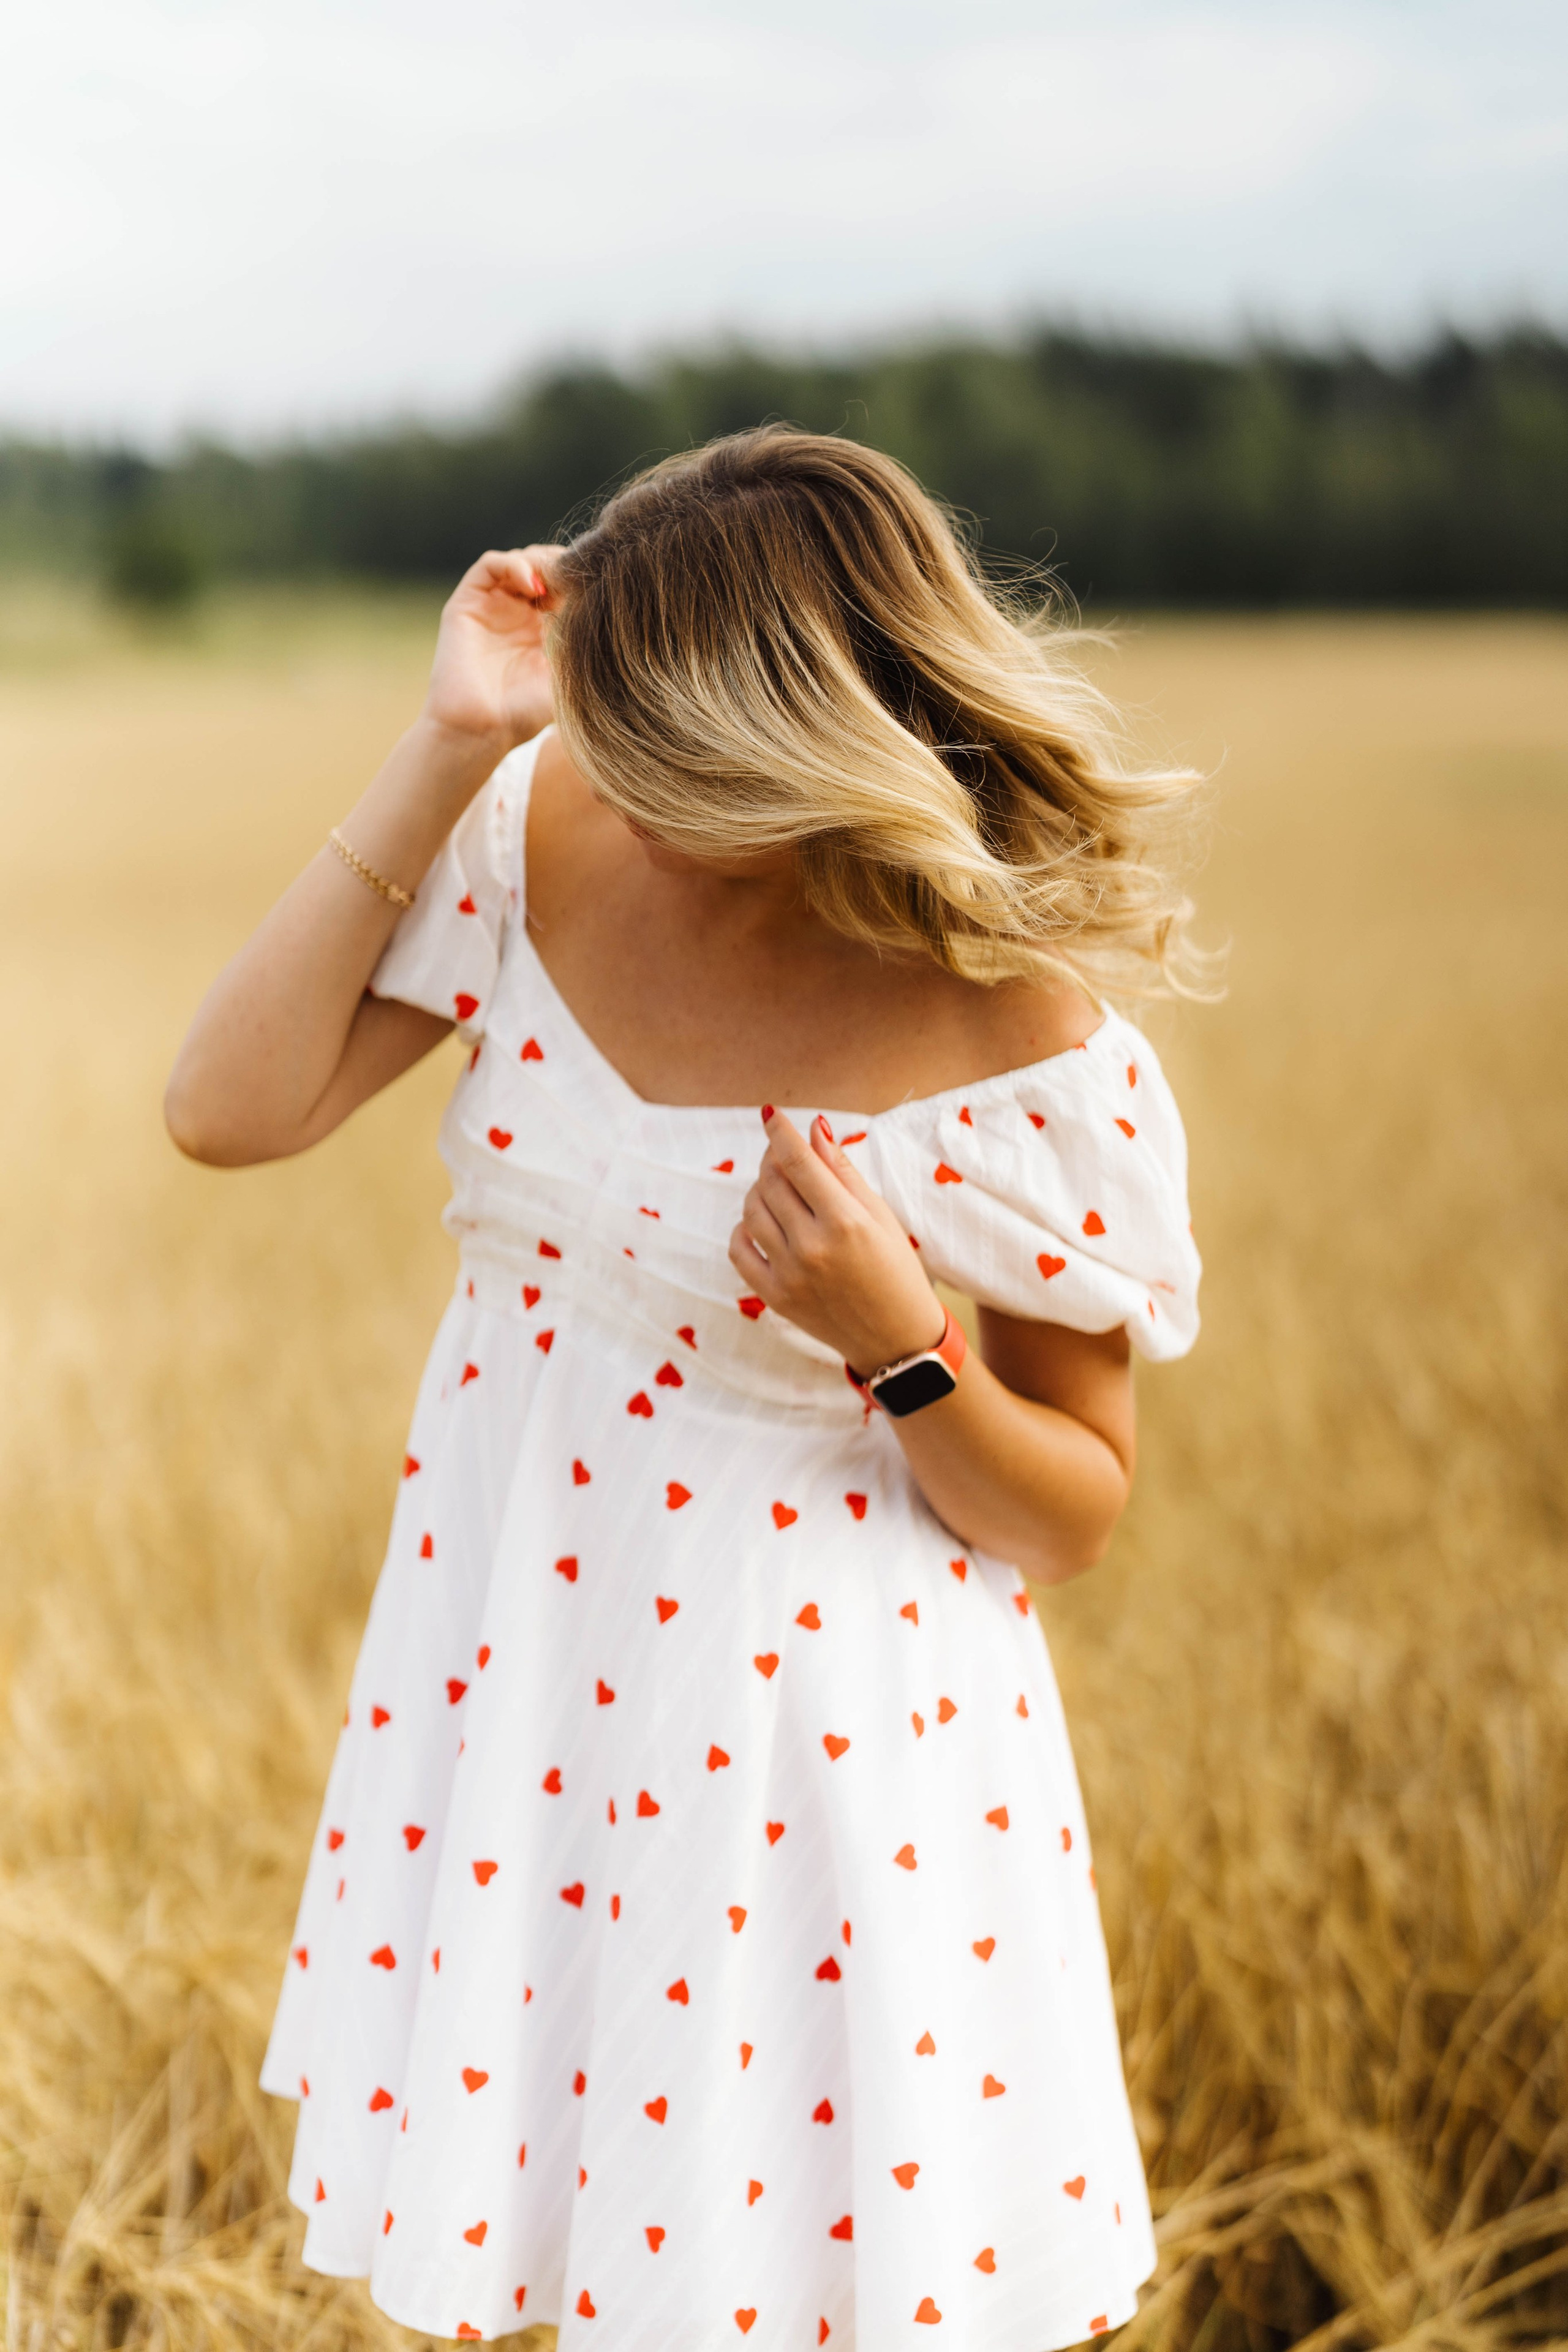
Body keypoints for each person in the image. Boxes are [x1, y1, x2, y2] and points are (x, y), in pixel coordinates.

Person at [165, 428, 1204, 2351]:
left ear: (781, 733)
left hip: (822, 1774)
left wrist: (903, 1340)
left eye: (653, 735)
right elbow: (224, 1110)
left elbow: (1074, 1505)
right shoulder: (542, 824)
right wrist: (454, 738)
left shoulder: (1025, 1037)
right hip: (523, 1690)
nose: (611, 771)